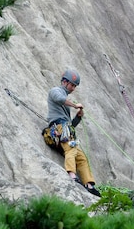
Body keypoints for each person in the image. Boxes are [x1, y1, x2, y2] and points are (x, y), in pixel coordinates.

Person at [46, 69, 101, 197]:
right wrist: (74, 105)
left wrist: (78, 116)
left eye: (75, 86)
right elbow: (59, 99)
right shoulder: (55, 91)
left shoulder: (66, 101)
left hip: (66, 129)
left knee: (81, 157)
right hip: (59, 127)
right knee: (70, 150)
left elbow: (72, 125)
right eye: (72, 85)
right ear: (64, 82)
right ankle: (71, 175)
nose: (73, 88)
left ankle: (89, 184)